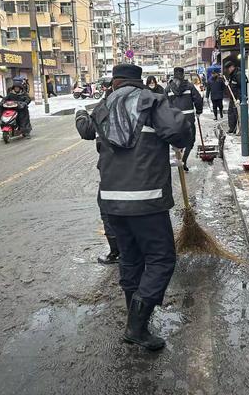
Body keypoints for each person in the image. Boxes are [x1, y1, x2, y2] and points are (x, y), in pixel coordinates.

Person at [75, 63, 191, 350]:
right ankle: (137, 326)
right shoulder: (151, 100)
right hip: (146, 200)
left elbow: (87, 131)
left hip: (112, 201)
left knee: (130, 259)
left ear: (114, 83)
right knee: (162, 259)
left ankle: (135, 322)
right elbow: (180, 132)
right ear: (139, 82)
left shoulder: (104, 106)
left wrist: (80, 113)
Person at [165, 67, 203, 172]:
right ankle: (184, 160)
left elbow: (164, 105)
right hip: (188, 118)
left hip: (175, 120)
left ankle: (179, 156)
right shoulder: (190, 86)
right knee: (190, 141)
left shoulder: (168, 88)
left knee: (178, 140)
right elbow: (198, 99)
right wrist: (199, 111)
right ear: (183, 74)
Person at [224, 61, 241, 133]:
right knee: (231, 113)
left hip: (237, 99)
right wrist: (227, 84)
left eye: (228, 69)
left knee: (237, 114)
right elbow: (232, 87)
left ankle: (238, 129)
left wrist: (239, 99)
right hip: (232, 98)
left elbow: (242, 87)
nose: (228, 71)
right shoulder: (232, 75)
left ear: (232, 67)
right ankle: (232, 128)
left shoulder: (238, 74)